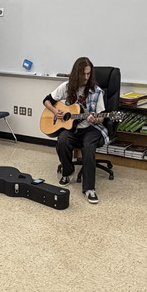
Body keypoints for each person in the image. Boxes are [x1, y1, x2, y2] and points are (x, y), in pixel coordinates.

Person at [43, 56, 109, 204]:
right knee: (62, 141)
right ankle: (67, 172)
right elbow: (46, 100)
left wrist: (95, 119)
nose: (86, 77)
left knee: (89, 146)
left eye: (89, 74)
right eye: (83, 74)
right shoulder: (66, 87)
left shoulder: (96, 91)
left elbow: (102, 118)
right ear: (76, 73)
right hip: (71, 128)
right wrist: (55, 111)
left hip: (90, 128)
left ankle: (89, 188)